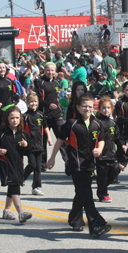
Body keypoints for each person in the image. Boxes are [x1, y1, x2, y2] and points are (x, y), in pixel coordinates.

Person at [47, 93, 111, 237]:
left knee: (81, 193)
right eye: (84, 106)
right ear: (78, 107)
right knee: (86, 194)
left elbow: (102, 139)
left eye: (90, 106)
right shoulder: (71, 123)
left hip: (90, 164)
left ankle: (75, 219)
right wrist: (52, 158)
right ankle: (96, 222)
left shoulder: (97, 123)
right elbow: (60, 141)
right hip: (75, 164)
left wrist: (99, 149)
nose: (87, 109)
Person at [0, 106, 33, 223]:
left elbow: (29, 151)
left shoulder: (23, 134)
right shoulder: (1, 134)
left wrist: (26, 145)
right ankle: (21, 213)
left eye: (17, 118)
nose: (15, 120)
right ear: (7, 119)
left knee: (12, 187)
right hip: (6, 164)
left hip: (18, 165)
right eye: (12, 118)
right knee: (15, 187)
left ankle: (6, 210)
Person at [34, 62, 64, 170]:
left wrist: (57, 104)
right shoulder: (39, 82)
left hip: (56, 115)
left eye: (52, 70)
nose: (50, 72)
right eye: (48, 70)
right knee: (43, 140)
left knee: (61, 137)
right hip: (44, 114)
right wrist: (47, 105)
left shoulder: (56, 82)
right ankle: (42, 163)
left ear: (55, 71)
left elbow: (56, 97)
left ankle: (68, 162)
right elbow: (38, 98)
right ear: (44, 70)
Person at [95, 97, 125, 203]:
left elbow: (117, 137)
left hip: (112, 153)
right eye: (103, 108)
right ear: (99, 109)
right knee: (102, 175)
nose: (106, 110)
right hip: (101, 155)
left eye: (108, 108)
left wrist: (122, 144)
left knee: (114, 172)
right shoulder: (97, 123)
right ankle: (103, 194)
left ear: (111, 109)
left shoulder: (113, 123)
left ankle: (102, 186)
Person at [23, 94, 52, 196]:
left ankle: (36, 187)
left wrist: (49, 137)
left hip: (39, 144)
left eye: (35, 101)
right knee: (32, 164)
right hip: (29, 145)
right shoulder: (25, 116)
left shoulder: (40, 114)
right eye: (31, 102)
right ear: (27, 103)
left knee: (38, 167)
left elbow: (45, 127)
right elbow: (21, 130)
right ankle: (22, 178)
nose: (33, 104)